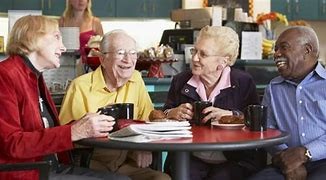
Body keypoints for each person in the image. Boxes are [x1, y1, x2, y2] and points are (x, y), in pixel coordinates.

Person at [0, 15, 129, 180]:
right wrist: (73, 132)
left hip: (49, 168)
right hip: (27, 173)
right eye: (56, 37)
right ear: (32, 37)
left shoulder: (34, 77)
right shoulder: (5, 75)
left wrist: (81, 126)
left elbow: (42, 132)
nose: (63, 47)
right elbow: (12, 143)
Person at [59, 30, 171, 180]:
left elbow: (147, 121)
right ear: (103, 59)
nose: (128, 60)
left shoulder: (136, 80)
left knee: (162, 179)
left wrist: (144, 147)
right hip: (93, 164)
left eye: (132, 53)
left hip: (127, 162)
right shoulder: (81, 86)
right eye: (120, 53)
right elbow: (66, 137)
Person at [160, 26, 265, 180]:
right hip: (190, 156)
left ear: (224, 61)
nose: (194, 58)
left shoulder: (243, 82)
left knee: (222, 176)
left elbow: (258, 123)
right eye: (194, 51)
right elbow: (162, 117)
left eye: (203, 54)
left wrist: (233, 116)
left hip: (234, 159)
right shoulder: (180, 81)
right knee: (187, 173)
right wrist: (171, 113)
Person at [248, 26, 326, 180]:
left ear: (307, 50)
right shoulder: (273, 88)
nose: (276, 54)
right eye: (275, 49)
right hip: (284, 162)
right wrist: (286, 158)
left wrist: (305, 153)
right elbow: (267, 129)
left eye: (284, 47)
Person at [59, 0, 103, 72]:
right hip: (66, 64)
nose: (81, 1)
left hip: (88, 67)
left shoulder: (95, 22)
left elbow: (102, 47)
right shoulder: (62, 21)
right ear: (70, 1)